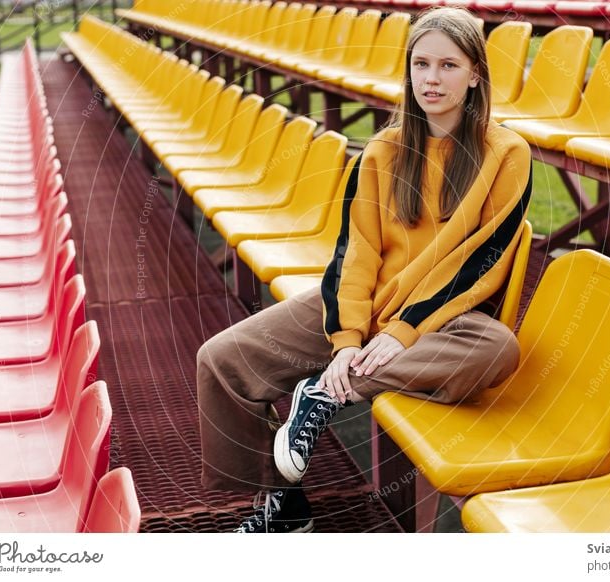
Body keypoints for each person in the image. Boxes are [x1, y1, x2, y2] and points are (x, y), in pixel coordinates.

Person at [196, 6, 532, 533]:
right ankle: (279, 503)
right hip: (368, 306)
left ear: (475, 75)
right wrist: (348, 337)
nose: (432, 79)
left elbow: (482, 260)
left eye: (448, 65)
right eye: (421, 64)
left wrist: (401, 332)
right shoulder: (382, 151)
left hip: (443, 322)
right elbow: (356, 255)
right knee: (221, 361)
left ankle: (326, 392)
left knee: (498, 350)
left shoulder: (507, 153)